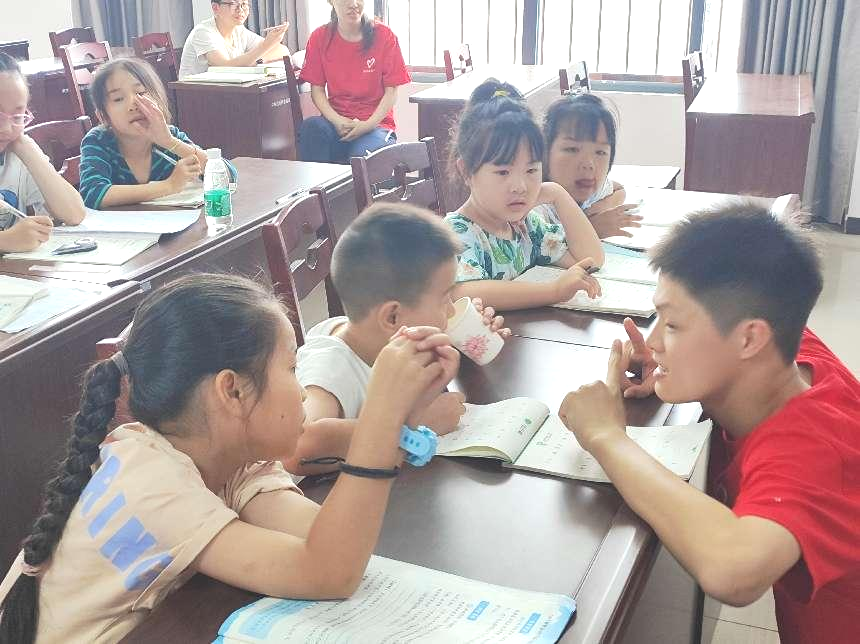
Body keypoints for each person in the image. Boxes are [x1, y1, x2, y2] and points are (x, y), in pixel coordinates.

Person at [0, 273, 456, 643]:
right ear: (232, 391)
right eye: (292, 368)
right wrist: (379, 416)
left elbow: (329, 542)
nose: (301, 392)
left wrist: (398, 414)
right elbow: (328, 572)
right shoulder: (151, 481)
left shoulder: (233, 456)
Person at [557, 203, 860, 644]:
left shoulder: (813, 449)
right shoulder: (789, 353)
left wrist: (605, 436)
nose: (654, 341)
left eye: (673, 325)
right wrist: (675, 365)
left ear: (749, 338)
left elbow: (733, 571)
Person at [292, 202, 508, 476]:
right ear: (393, 317)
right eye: (444, 299)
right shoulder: (331, 367)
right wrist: (412, 427)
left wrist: (465, 343)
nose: (452, 310)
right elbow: (298, 448)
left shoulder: (389, 338)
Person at [443, 79, 604, 311]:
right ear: (466, 171)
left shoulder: (526, 227)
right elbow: (465, 292)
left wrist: (557, 193)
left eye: (531, 171)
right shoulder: (456, 233)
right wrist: (553, 291)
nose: (520, 186)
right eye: (503, 172)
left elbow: (591, 260)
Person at [79, 59, 234, 209]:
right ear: (103, 116)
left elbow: (228, 175)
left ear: (158, 99)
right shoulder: (98, 141)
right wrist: (169, 186)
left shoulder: (169, 136)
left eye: (140, 92)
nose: (133, 105)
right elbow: (93, 194)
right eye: (118, 99)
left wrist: (170, 142)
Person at [297, 0, 410, 163]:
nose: (354, 4)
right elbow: (317, 90)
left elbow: (391, 92)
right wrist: (337, 120)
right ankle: (319, 181)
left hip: (375, 126)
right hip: (336, 124)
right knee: (311, 128)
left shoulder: (385, 35)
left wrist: (368, 124)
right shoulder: (319, 37)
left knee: (361, 157)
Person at [0, 52, 85, 252]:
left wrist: (26, 147)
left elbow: (73, 214)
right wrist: (4, 241)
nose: (6, 128)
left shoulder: (17, 153)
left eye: (17, 116)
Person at [543, 93, 642, 239]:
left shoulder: (585, 187)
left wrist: (596, 210)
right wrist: (592, 228)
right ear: (544, 151)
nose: (589, 164)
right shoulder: (536, 205)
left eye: (600, 152)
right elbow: (546, 247)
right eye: (572, 149)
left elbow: (619, 190)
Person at [178, 0, 290, 78]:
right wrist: (266, 45)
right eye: (233, 4)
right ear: (215, 8)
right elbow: (224, 68)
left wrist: (257, 60)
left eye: (244, 4)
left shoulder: (239, 30)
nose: (240, 10)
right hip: (195, 95)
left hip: (226, 90)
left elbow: (283, 50)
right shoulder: (203, 32)